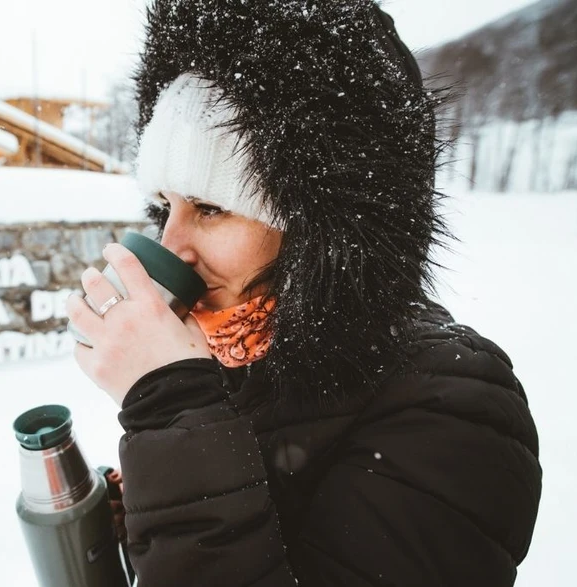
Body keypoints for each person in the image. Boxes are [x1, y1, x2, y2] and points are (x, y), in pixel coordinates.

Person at [66, 1, 542, 585]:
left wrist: (171, 409)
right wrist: (150, 499)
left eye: (212, 208)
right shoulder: (237, 364)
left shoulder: (457, 405)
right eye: (166, 205)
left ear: (322, 229)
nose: (172, 244)